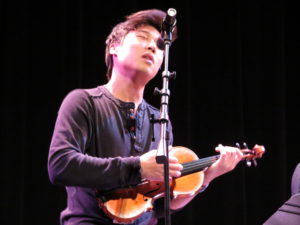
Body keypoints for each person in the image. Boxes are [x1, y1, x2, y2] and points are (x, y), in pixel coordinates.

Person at [48, 8, 244, 225]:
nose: (152, 46)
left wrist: (208, 176)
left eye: (160, 45)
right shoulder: (84, 101)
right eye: (142, 37)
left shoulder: (160, 119)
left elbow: (157, 205)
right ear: (114, 47)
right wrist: (138, 167)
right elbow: (60, 165)